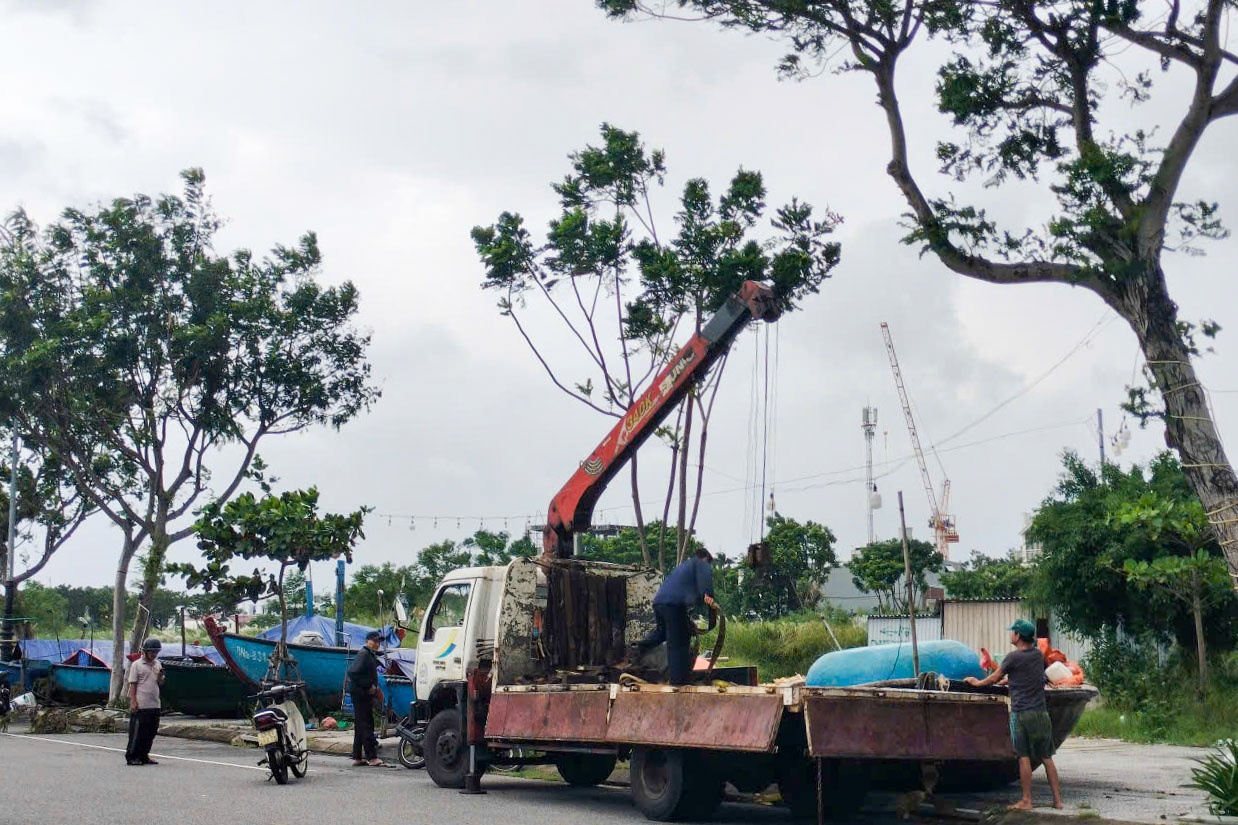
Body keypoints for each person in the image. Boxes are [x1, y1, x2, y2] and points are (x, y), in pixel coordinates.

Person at [965, 618, 1064, 811]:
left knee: (1024, 756)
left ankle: (1026, 800)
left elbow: (995, 677)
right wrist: (1004, 681)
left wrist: (976, 683)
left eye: (1012, 632)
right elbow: (1020, 677)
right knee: (1046, 757)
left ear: (1018, 635)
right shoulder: (1037, 655)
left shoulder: (1012, 658)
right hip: (1040, 713)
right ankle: (1058, 801)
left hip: (1021, 713)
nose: (1011, 634)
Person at [638, 548, 716, 685]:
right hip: (673, 605)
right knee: (678, 642)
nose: (708, 567)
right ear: (704, 559)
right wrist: (709, 595)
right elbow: (705, 583)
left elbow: (684, 595)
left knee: (661, 634)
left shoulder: (683, 568)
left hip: (659, 603)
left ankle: (636, 648)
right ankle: (678, 681)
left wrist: (688, 620)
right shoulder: (700, 563)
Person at [125, 638, 165, 766]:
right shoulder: (137, 664)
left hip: (154, 704)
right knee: (138, 732)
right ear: (146, 651)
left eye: (156, 652)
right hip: (141, 704)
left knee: (151, 732)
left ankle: (144, 755)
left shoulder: (157, 664)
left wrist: (160, 678)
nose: (154, 654)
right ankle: (132, 756)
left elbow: (160, 683)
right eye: (152, 652)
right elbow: (133, 685)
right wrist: (133, 701)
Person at [347, 629, 384, 767]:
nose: (376, 644)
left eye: (378, 641)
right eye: (374, 641)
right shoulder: (364, 654)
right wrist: (369, 686)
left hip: (362, 693)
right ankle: (371, 757)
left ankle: (357, 756)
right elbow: (353, 672)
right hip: (361, 693)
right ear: (367, 641)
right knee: (366, 723)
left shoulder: (369, 655)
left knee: (360, 724)